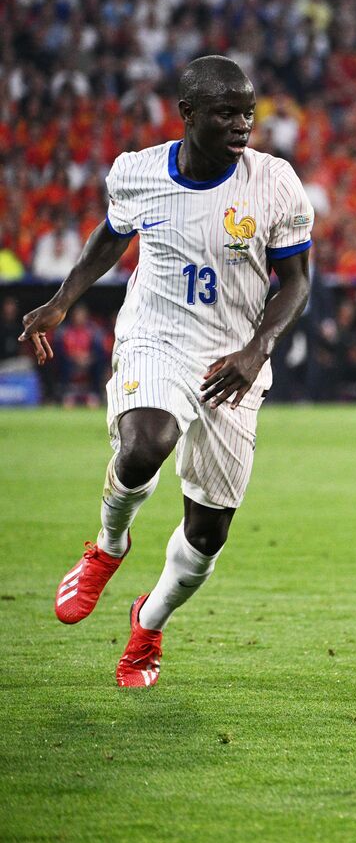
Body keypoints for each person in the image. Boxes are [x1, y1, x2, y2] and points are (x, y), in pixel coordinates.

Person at [21, 55, 314, 688]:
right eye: (225, 113)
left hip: (235, 358)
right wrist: (62, 301)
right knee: (144, 444)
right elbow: (111, 234)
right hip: (158, 337)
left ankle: (147, 626)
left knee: (207, 533)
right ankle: (107, 544)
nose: (241, 125)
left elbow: (296, 281)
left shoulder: (276, 183)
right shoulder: (138, 172)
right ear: (187, 114)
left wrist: (258, 348)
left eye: (247, 113)